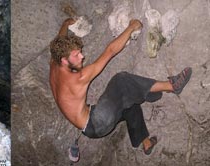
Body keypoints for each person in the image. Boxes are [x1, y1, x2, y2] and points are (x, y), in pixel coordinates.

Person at [49, 17, 192, 160]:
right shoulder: (77, 79)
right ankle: (171, 86)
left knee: (129, 105)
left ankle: (146, 143)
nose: (82, 56)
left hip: (91, 127)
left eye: (80, 52)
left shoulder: (54, 63)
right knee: (121, 80)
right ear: (64, 60)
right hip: (98, 121)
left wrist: (65, 24)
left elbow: (59, 40)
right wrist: (131, 27)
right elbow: (110, 51)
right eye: (76, 55)